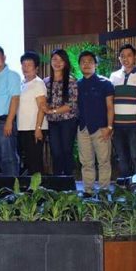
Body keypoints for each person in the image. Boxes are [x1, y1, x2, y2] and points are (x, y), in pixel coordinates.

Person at [76, 51, 115, 195]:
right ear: (80, 65)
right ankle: (88, 191)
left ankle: (104, 191)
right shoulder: (76, 84)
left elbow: (110, 107)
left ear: (95, 65)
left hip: (101, 129)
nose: (86, 64)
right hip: (83, 129)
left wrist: (110, 127)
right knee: (86, 163)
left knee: (104, 162)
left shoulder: (105, 83)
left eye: (89, 61)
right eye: (83, 62)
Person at [109, 44, 136, 177]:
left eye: (129, 55)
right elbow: (110, 101)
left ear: (135, 57)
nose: (126, 59)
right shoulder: (113, 77)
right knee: (122, 158)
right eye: (122, 56)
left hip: (135, 125)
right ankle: (126, 189)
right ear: (119, 59)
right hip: (117, 125)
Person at [43, 49, 78, 177]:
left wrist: (52, 111)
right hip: (52, 123)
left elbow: (71, 104)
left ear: (65, 62)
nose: (57, 63)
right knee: (55, 152)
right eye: (54, 59)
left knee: (67, 150)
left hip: (68, 121)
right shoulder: (45, 82)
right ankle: (57, 181)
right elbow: (43, 102)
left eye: (61, 60)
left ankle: (69, 181)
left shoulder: (71, 80)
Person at [0, 45, 21, 177]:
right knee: (1, 158)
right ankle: (8, 188)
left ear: (4, 57)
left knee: (9, 159)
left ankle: (14, 192)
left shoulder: (12, 75)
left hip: (4, 122)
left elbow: (15, 98)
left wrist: (9, 122)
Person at [17, 51, 48, 176]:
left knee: (35, 162)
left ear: (36, 68)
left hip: (34, 128)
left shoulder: (38, 83)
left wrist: (38, 128)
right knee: (29, 161)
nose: (26, 68)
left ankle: (38, 191)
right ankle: (31, 190)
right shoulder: (22, 83)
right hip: (23, 128)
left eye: (29, 65)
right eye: (23, 64)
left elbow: (42, 107)